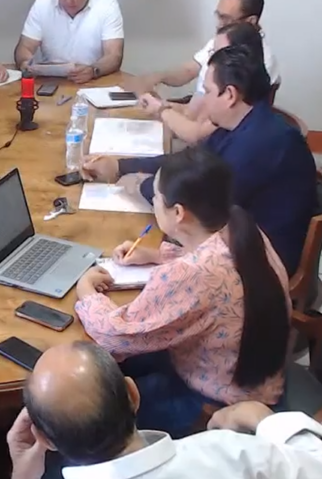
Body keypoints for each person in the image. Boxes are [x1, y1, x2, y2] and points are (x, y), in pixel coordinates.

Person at [0, 341, 322, 479]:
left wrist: (25, 473)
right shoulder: (229, 456)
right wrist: (264, 419)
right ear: (133, 395)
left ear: (47, 440)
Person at [76, 147, 291, 438]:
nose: (154, 202)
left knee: (94, 409)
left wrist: (87, 290)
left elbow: (115, 335)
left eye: (156, 198)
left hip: (217, 401)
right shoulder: (244, 229)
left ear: (178, 213)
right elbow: (215, 270)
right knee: (124, 368)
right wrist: (156, 255)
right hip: (255, 376)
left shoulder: (190, 274)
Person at [83, 45, 315, 275]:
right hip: (231, 244)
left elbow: (196, 205)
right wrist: (121, 166)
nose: (203, 101)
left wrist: (142, 186)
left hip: (260, 269)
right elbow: (187, 162)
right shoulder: (240, 122)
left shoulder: (258, 145)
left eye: (208, 91)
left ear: (230, 95)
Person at [123, 0, 280, 102]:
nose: (219, 24)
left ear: (251, 21)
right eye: (218, 16)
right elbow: (189, 70)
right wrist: (158, 77)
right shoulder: (223, 38)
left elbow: (224, 116)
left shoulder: (260, 60)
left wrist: (165, 109)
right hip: (196, 109)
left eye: (226, 19)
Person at [141, 21, 272, 144]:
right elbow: (190, 111)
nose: (211, 59)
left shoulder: (235, 98)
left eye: (218, 53)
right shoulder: (218, 81)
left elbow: (195, 135)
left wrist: (161, 110)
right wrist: (159, 105)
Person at [13, 0, 124, 84]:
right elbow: (24, 47)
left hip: (92, 82)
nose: (68, 0)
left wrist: (93, 71)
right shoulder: (42, 4)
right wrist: (25, 63)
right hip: (51, 82)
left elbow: (114, 55)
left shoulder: (108, 7)